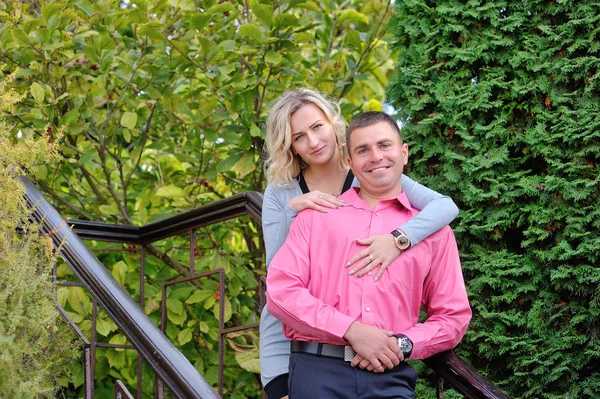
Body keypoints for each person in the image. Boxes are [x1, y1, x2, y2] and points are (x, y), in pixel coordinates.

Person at [260, 89, 460, 399]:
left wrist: (398, 241)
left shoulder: (374, 168)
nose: (313, 141)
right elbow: (279, 288)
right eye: (299, 137)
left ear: (333, 124)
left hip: (386, 370)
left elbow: (445, 208)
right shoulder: (288, 199)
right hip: (311, 356)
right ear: (291, 147)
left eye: (317, 127)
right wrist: (278, 381)